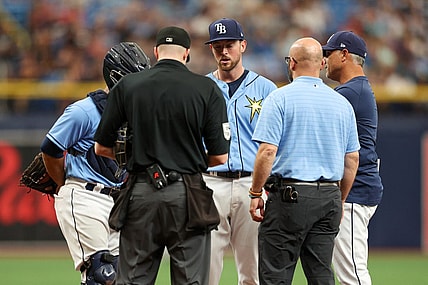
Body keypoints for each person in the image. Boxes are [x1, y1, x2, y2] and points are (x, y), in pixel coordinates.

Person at [94, 26, 230, 285]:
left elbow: (101, 147)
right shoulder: (207, 88)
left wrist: (133, 159)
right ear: (187, 54)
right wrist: (187, 160)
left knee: (132, 279)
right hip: (187, 195)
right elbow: (220, 157)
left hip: (140, 192)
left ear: (156, 52)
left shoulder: (127, 85)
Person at [249, 37, 360, 285]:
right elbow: (352, 159)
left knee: (276, 275)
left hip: (289, 197)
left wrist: (256, 192)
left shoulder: (280, 98)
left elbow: (267, 151)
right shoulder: (342, 103)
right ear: (322, 63)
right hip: (329, 197)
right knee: (321, 274)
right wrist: (339, 199)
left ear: (292, 64)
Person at [40, 42, 150, 285]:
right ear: (117, 78)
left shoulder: (136, 115)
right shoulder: (84, 111)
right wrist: (63, 185)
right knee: (102, 275)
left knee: (124, 276)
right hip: (84, 195)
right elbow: (50, 148)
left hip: (117, 200)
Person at [203, 17, 277, 285]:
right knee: (206, 270)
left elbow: (276, 144)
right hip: (211, 182)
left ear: (243, 45)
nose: (224, 51)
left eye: (230, 45)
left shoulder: (267, 89)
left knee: (253, 272)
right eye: (217, 46)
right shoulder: (201, 88)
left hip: (252, 185)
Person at [322, 31, 384, 285]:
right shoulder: (354, 89)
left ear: (345, 54)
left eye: (329, 53)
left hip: (353, 192)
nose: (324, 60)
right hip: (356, 189)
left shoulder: (350, 93)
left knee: (353, 276)